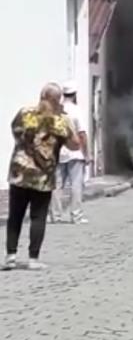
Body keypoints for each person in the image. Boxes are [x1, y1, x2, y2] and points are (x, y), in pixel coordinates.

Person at [4, 83, 80, 271]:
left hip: (20, 172)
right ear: (58, 100)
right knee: (38, 217)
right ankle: (33, 259)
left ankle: (10, 256)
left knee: (15, 215)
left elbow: (15, 131)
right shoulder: (60, 121)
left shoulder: (25, 113)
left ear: (41, 96)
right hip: (43, 177)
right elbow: (75, 145)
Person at [50, 83, 89, 224]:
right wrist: (87, 154)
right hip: (75, 152)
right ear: (75, 94)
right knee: (76, 185)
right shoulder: (77, 111)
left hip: (58, 152)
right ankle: (76, 216)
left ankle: (56, 216)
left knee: (56, 186)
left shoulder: (56, 110)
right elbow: (82, 134)